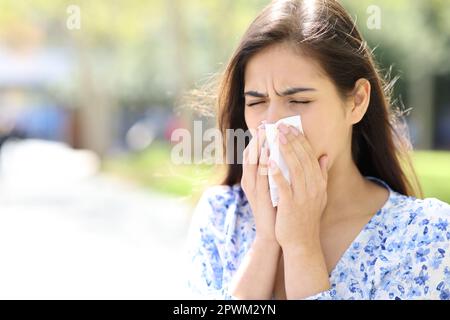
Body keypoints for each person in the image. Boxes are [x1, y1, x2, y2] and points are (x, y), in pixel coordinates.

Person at [186, 0, 450, 300]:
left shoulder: (425, 236)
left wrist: (302, 246)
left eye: (298, 101)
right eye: (256, 103)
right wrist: (266, 243)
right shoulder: (222, 217)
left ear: (357, 101)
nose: (272, 123)